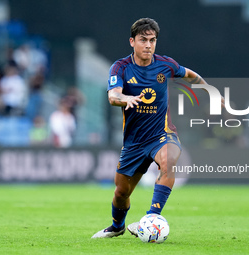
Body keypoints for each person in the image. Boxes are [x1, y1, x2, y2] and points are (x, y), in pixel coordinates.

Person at [92, 18, 223, 238]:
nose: (148, 45)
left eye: (152, 40)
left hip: (162, 135)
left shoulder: (166, 65)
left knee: (169, 160)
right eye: (143, 40)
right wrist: (126, 99)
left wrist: (210, 90)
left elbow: (190, 75)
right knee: (121, 192)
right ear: (132, 42)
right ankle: (117, 227)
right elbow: (113, 96)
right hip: (134, 142)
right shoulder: (121, 67)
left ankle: (152, 217)